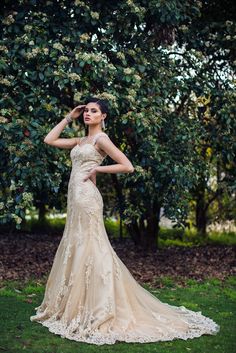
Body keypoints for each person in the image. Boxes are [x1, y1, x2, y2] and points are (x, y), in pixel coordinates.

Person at [30, 97, 220, 345]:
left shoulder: (101, 140)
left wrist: (98, 170)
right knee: (78, 246)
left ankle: (100, 306)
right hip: (75, 200)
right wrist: (69, 117)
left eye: (94, 111)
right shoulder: (82, 140)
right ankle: (78, 304)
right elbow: (49, 139)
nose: (88, 114)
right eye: (86, 111)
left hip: (87, 199)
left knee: (93, 248)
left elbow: (127, 166)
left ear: (103, 116)